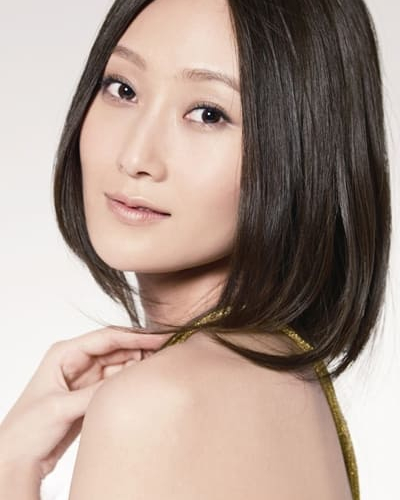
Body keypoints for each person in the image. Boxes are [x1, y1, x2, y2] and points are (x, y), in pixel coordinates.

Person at [0, 0, 391, 498]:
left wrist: (11, 467)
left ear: (302, 148)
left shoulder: (160, 401)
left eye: (208, 114)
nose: (135, 156)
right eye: (123, 89)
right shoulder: (283, 374)